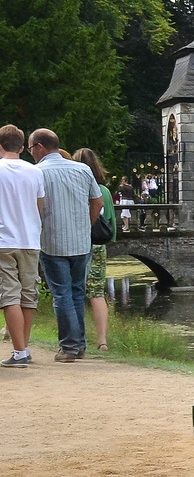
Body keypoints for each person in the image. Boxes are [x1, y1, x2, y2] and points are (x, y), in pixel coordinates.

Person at [29, 129, 101, 362]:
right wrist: (86, 226)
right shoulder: (82, 169)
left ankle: (69, 346)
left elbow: (34, 207)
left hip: (52, 241)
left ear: (40, 147)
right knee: (77, 292)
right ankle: (79, 345)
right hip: (81, 242)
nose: (31, 154)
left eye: (31, 149)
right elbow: (97, 201)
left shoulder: (37, 172)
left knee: (61, 293)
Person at [0, 125, 44, 367]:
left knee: (9, 295)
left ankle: (19, 352)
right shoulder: (35, 172)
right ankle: (23, 348)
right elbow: (39, 206)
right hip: (30, 239)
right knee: (28, 295)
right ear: (21, 147)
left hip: (4, 240)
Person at [71, 148, 116, 352]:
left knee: (74, 291)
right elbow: (112, 222)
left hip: (78, 244)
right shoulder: (104, 191)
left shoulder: (76, 187)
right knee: (97, 293)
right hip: (98, 245)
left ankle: (75, 337)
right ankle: (102, 340)